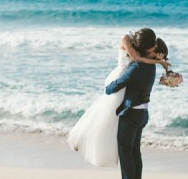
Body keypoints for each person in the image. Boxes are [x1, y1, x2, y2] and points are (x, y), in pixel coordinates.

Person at [67, 29, 167, 167]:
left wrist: (159, 60)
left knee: (111, 117)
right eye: (152, 46)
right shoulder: (126, 39)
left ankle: (96, 142)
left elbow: (141, 61)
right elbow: (138, 59)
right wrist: (159, 63)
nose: (154, 47)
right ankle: (81, 138)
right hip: (121, 75)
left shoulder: (141, 46)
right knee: (105, 113)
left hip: (128, 79)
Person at [104, 38, 169, 179]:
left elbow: (117, 85)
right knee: (134, 152)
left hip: (132, 113)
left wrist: (108, 87)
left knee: (126, 151)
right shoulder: (151, 66)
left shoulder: (139, 66)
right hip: (142, 113)